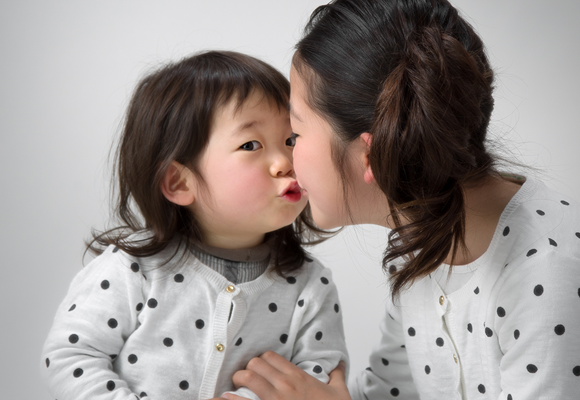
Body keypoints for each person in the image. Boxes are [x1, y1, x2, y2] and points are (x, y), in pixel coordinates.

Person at [223, 1, 580, 399]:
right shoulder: (418, 246)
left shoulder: (550, 271)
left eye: (295, 133)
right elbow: (389, 393)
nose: (288, 157)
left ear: (369, 156)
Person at [41, 50, 348, 400]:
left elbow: (320, 376)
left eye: (291, 139)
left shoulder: (311, 284)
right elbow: (70, 356)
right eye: (251, 145)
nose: (284, 162)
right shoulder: (132, 270)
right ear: (179, 182)